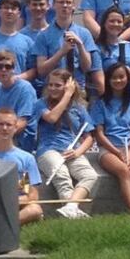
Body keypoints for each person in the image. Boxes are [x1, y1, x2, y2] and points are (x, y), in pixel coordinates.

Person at [91, 61, 130, 214]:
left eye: (122, 77)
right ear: (108, 80)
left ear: (127, 78)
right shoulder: (100, 103)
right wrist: (118, 153)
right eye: (114, 78)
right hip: (108, 148)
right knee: (124, 170)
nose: (118, 81)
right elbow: (99, 133)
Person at [35, 68, 95, 218]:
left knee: (90, 175)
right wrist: (67, 95)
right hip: (48, 150)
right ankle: (73, 216)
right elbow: (52, 118)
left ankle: (71, 207)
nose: (53, 88)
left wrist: (78, 152)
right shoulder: (40, 104)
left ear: (68, 85)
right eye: (50, 85)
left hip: (71, 151)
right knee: (61, 175)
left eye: (58, 85)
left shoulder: (79, 108)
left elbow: (89, 137)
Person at [34, 0, 98, 95]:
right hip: (53, 90)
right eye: (61, 2)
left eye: (68, 3)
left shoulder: (84, 33)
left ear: (73, 6)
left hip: (77, 88)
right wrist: (62, 52)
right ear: (53, 5)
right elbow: (41, 70)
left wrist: (80, 45)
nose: (65, 5)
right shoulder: (44, 35)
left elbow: (87, 68)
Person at [0, 50, 40, 148]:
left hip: (19, 140)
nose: (3, 70)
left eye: (8, 66)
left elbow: (21, 124)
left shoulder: (25, 89)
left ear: (13, 69)